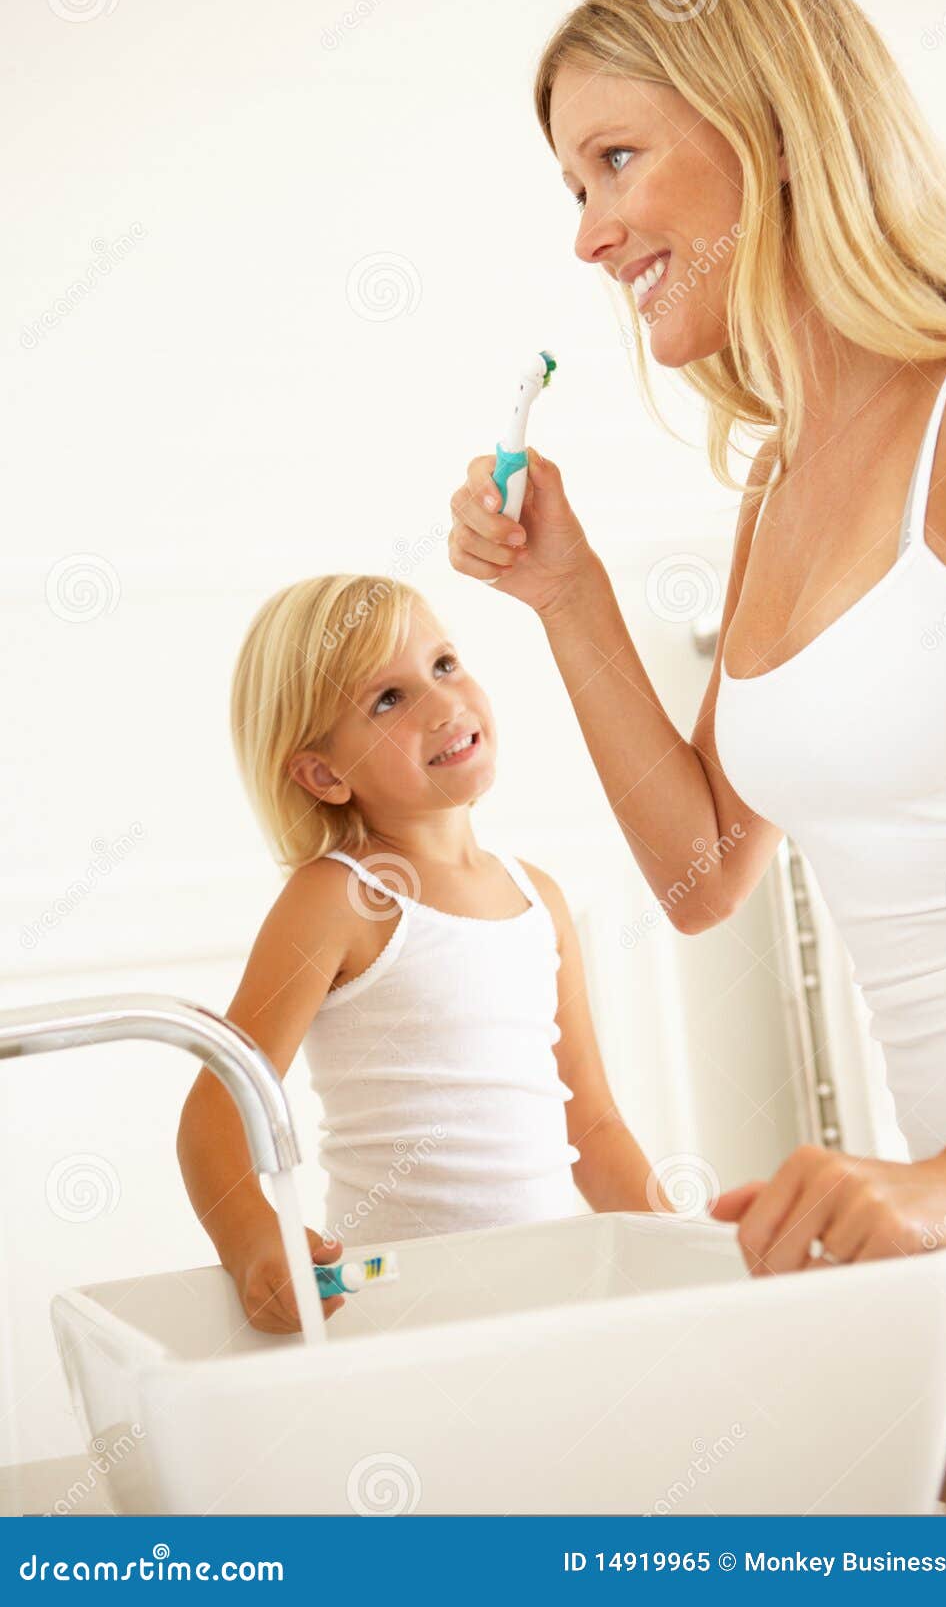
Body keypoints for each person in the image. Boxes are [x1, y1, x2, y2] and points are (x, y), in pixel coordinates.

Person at [448, 0, 946, 1511]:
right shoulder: (776, 483)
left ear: (769, 127)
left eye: (613, 161)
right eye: (567, 186)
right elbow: (705, 872)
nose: (587, 235)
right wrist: (567, 594)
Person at [177, 573, 667, 1337]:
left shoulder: (537, 897)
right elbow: (215, 1110)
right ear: (323, 774)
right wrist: (253, 1243)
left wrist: (685, 1249)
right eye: (387, 699)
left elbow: (593, 1126)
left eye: (443, 665)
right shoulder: (337, 899)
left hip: (551, 1294)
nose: (443, 704)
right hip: (400, 1309)